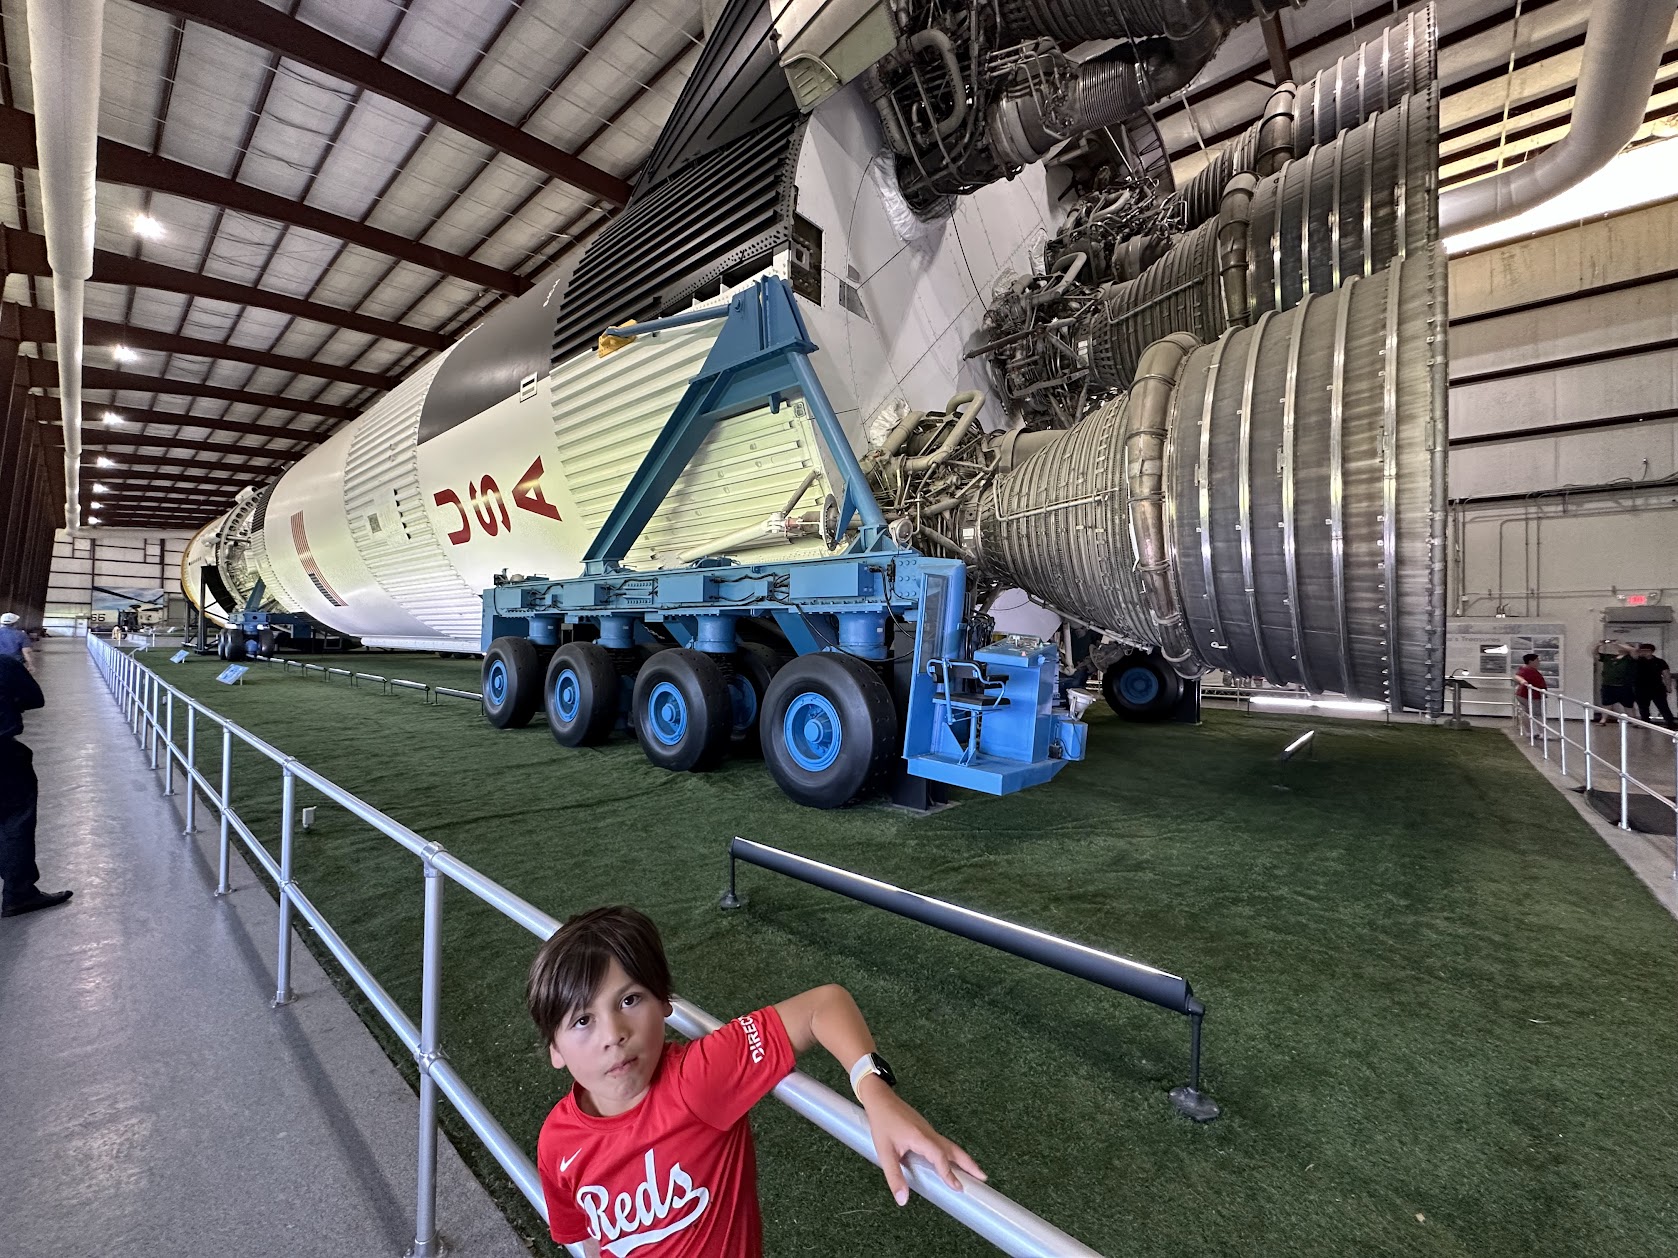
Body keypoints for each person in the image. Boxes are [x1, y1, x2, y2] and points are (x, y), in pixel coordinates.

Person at [527, 906, 984, 1257]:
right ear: (555, 1048)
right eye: (582, 1020)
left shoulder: (699, 1078)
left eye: (630, 999)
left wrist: (875, 1090)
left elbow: (823, 1005)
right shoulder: (556, 1142)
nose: (613, 1035)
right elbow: (587, 1238)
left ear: (664, 1001)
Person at [0, 652, 72, 918]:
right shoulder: (4, 663)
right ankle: (19, 893)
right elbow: (34, 698)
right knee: (15, 818)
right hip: (3, 754)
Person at [1632, 642, 1676, 729]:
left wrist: (1669, 687)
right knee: (1643, 707)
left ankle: (1670, 724)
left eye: (1646, 651)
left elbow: (1666, 674)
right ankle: (1646, 723)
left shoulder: (1659, 662)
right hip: (1640, 688)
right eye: (1642, 650)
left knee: (1663, 706)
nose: (1644, 652)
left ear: (1652, 651)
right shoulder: (1637, 661)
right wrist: (1636, 648)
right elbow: (1632, 652)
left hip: (1657, 688)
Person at [1593, 640, 1637, 725]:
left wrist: (1618, 643)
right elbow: (1596, 654)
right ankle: (1603, 720)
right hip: (1608, 685)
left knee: (1628, 705)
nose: (1620, 648)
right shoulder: (1610, 657)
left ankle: (1633, 721)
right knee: (1606, 703)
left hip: (1624, 685)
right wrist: (1598, 645)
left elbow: (1633, 650)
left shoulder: (1630, 658)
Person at [1513, 652, 1548, 733]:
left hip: (1529, 695)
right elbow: (1517, 676)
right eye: (1537, 660)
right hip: (1530, 696)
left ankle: (1530, 732)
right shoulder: (1526, 669)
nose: (1539, 662)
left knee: (1528, 713)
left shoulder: (1529, 669)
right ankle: (1541, 733)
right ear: (1531, 661)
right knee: (1537, 714)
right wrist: (1523, 681)